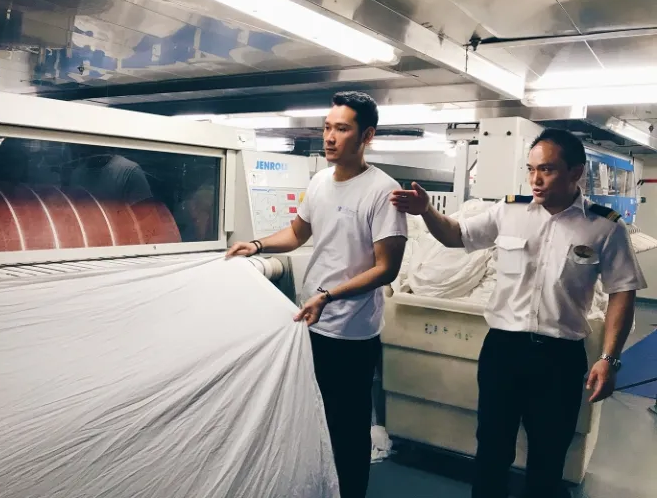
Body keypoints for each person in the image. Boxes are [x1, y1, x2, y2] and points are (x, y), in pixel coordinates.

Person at [390, 128, 646, 498]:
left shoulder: (604, 226)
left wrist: (609, 358)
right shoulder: (508, 211)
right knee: (491, 450)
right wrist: (426, 211)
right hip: (503, 352)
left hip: (559, 358)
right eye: (531, 169)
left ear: (576, 172)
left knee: (548, 456)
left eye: (547, 169)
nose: (535, 179)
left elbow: (622, 290)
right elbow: (455, 235)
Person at [226, 91, 408, 498]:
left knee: (348, 431)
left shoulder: (383, 191)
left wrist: (328, 295)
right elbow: (297, 233)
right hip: (311, 325)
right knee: (314, 420)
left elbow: (386, 268)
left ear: (367, 136)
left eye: (341, 129)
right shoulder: (320, 182)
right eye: (327, 127)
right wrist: (255, 245)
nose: (329, 137)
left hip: (352, 333)